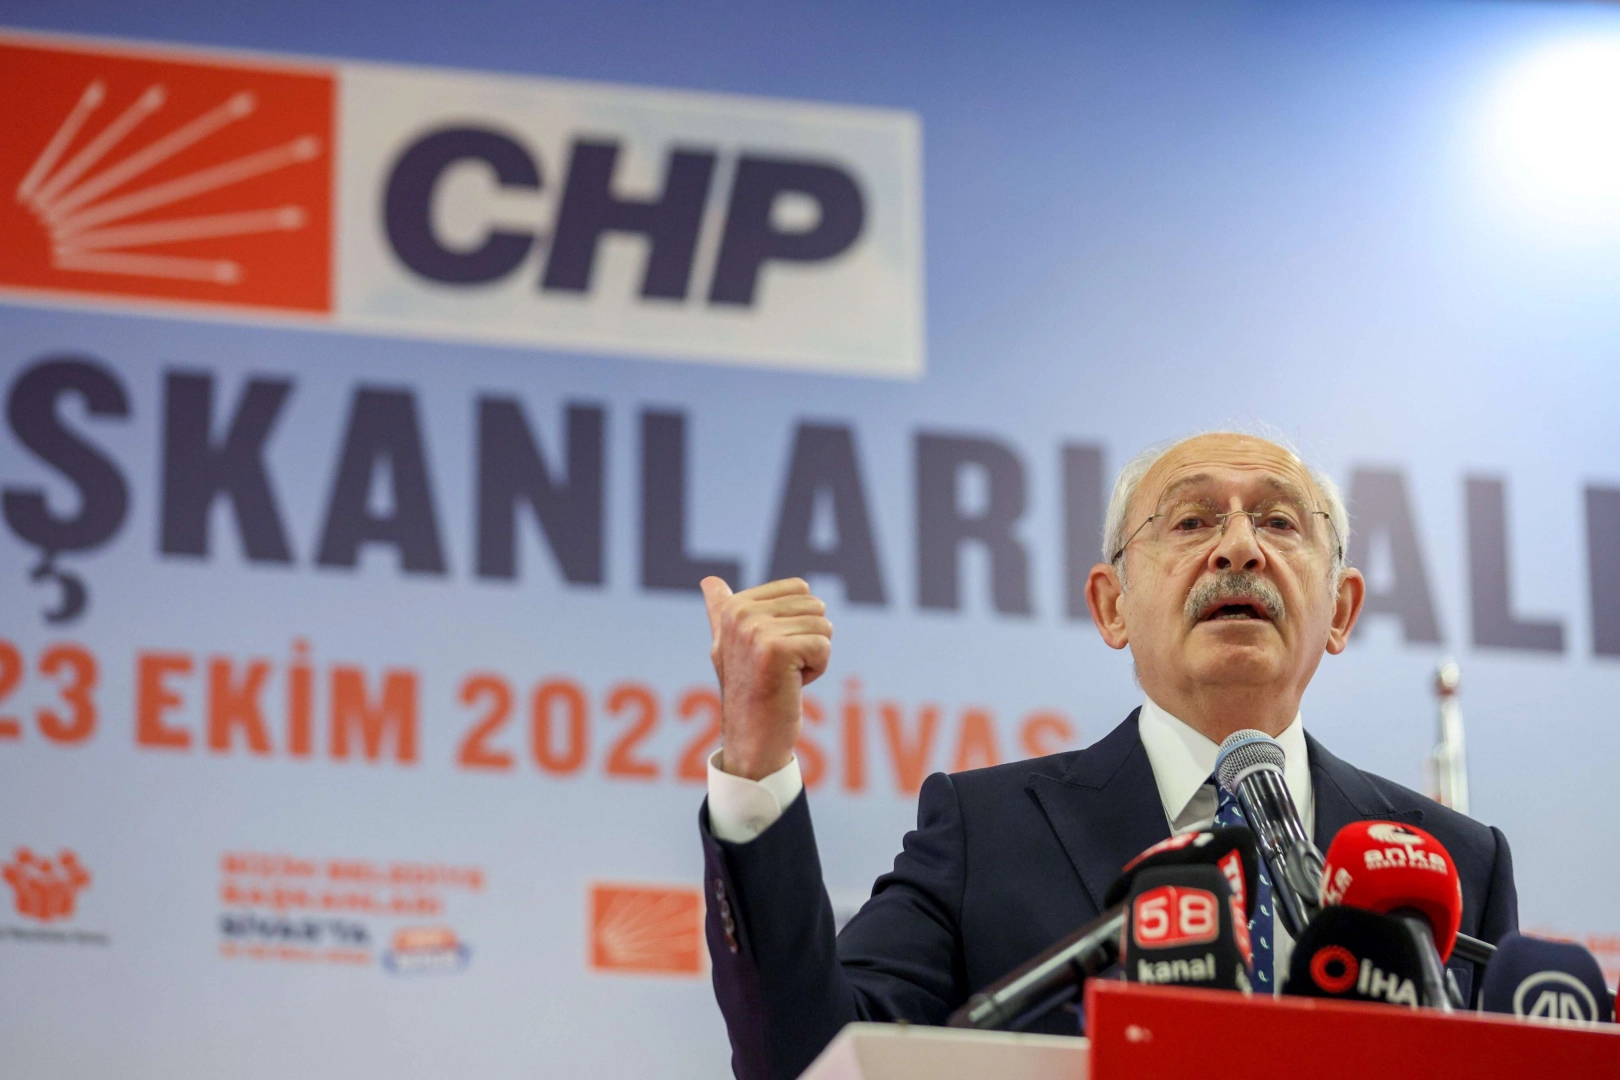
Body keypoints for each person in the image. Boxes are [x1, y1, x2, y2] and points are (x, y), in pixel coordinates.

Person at [696, 432, 1517, 1080]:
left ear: (1340, 611)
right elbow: (806, 1058)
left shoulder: (1457, 864)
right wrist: (757, 763)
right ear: (1111, 605)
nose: (1238, 549)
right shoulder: (988, 833)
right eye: (1191, 521)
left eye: (1278, 522)